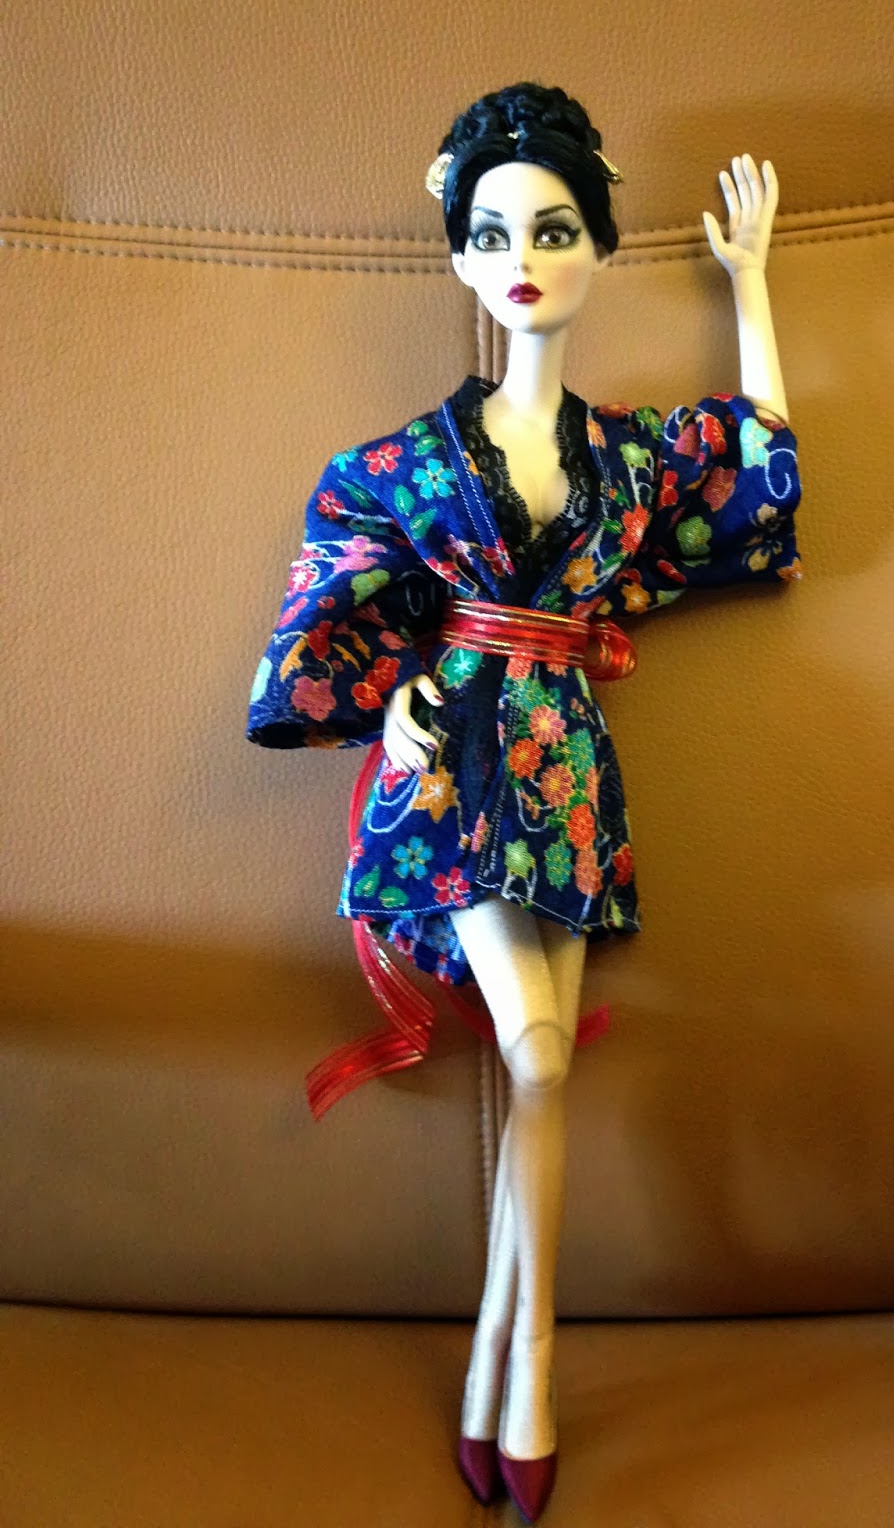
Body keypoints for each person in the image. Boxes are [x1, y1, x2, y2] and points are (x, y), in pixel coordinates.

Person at [247, 81, 802, 1523]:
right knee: (542, 1056)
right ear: (457, 256)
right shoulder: (404, 465)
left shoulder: (628, 460)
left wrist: (749, 286)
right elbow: (333, 586)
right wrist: (389, 694)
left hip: (568, 774)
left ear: (601, 247)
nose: (523, 258)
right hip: (457, 775)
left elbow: (756, 473)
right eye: (491, 233)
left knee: (548, 1060)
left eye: (555, 229)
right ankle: (531, 1363)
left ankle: (501, 1353)